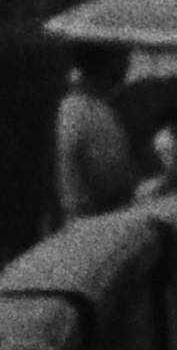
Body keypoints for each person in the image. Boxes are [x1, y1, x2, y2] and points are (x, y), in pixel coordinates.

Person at [52, 40, 140, 221]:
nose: (128, 65)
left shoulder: (71, 105)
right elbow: (113, 182)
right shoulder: (89, 112)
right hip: (102, 227)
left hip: (86, 226)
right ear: (110, 63)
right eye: (124, 57)